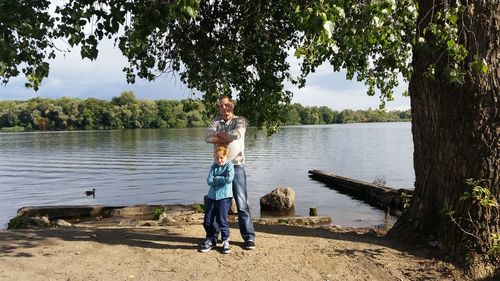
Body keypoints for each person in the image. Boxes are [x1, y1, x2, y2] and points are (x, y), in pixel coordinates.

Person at [205, 95, 256, 250]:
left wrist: (220, 136)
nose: (224, 108)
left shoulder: (240, 120)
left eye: (226, 105)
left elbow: (236, 134)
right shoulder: (215, 121)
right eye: (221, 106)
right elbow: (207, 138)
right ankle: (213, 238)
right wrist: (225, 138)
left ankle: (248, 237)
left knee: (242, 204)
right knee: (216, 203)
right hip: (219, 167)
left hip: (237, 167)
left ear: (232, 105)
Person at [199, 146, 234, 254]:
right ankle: (211, 239)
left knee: (222, 220)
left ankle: (225, 241)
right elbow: (209, 181)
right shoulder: (213, 167)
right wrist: (220, 179)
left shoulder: (229, 166)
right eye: (217, 157)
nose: (219, 160)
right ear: (214, 157)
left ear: (226, 157)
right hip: (212, 197)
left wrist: (217, 178)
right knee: (207, 220)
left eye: (222, 157)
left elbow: (229, 179)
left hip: (224, 197)